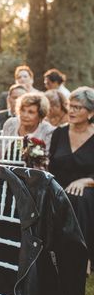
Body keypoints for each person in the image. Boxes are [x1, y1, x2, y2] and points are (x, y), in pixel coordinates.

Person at [48, 87, 94, 264]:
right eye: (70, 106)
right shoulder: (59, 133)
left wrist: (86, 181)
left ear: (90, 112)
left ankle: (83, 257)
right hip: (60, 185)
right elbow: (52, 165)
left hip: (88, 187)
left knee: (80, 199)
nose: (72, 111)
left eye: (78, 107)